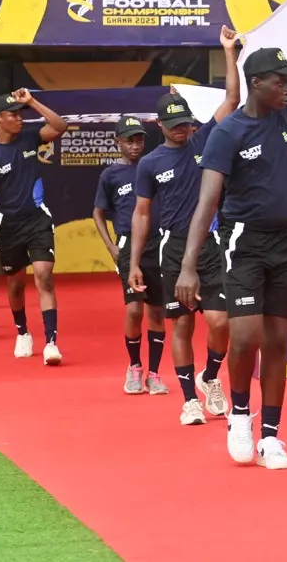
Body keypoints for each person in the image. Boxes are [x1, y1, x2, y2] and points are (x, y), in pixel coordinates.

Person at [180, 0, 287, 470]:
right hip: (242, 242)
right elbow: (206, 202)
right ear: (256, 83)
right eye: (281, 82)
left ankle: (271, 435)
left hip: (286, 240)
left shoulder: (284, 113)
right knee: (244, 336)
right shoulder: (228, 133)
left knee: (277, 341)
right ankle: (239, 416)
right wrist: (187, 266)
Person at [130, 31, 240, 426]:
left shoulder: (205, 141)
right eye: (175, 125)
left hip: (210, 247)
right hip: (173, 249)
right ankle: (188, 399)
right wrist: (133, 264)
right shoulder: (150, 163)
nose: (182, 129)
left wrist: (229, 52)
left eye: (186, 123)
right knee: (182, 322)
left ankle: (210, 377)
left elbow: (231, 100)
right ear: (159, 124)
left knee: (220, 322)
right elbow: (142, 214)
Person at [0, 90, 68, 364]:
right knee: (15, 284)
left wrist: (32, 102)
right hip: (9, 225)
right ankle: (23, 333)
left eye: (20, 113)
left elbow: (60, 126)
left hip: (38, 218)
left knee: (43, 274)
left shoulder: (30, 138)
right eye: (13, 115)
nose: (19, 119)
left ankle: (51, 342)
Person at [94, 115, 166, 396]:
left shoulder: (152, 167)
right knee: (135, 309)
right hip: (126, 246)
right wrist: (111, 247)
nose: (136, 146)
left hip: (157, 244)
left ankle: (155, 373)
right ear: (118, 143)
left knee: (157, 311)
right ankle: (135, 366)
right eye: (129, 141)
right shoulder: (110, 175)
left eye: (139, 140)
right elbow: (98, 212)